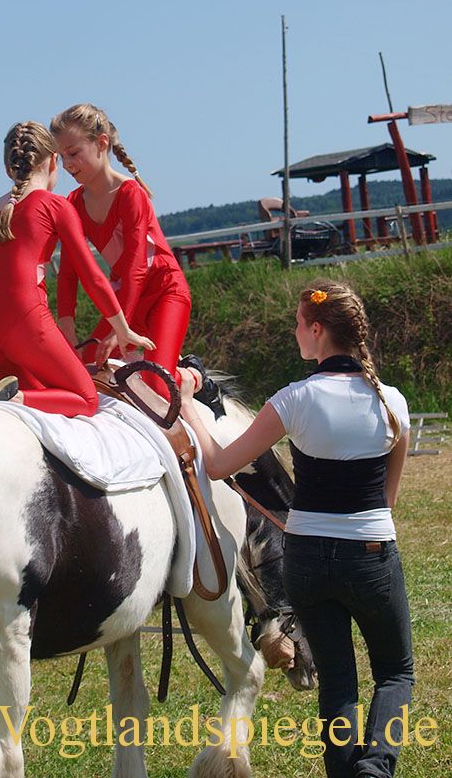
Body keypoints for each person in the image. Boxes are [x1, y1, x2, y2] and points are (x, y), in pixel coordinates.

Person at [178, 280, 413, 778]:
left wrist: (185, 406)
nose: (295, 332)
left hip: (306, 558)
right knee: (395, 672)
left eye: (299, 324)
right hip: (371, 551)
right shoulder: (393, 403)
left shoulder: (294, 399)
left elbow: (219, 463)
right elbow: (387, 501)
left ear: (318, 330)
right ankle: (376, 766)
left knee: (337, 680)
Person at [0, 120, 154, 414]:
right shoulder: (54, 204)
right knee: (86, 400)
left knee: (40, 400)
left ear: (9, 168)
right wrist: (123, 330)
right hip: (23, 319)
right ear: (53, 161)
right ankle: (8, 399)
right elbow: (93, 277)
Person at [50, 103, 193, 398]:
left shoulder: (130, 194)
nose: (67, 164)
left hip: (165, 293)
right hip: (126, 299)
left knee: (157, 387)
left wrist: (120, 329)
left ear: (102, 144)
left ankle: (192, 375)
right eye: (62, 156)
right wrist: (66, 322)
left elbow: (136, 267)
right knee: (87, 372)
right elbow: (68, 271)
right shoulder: (74, 202)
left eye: (74, 153)